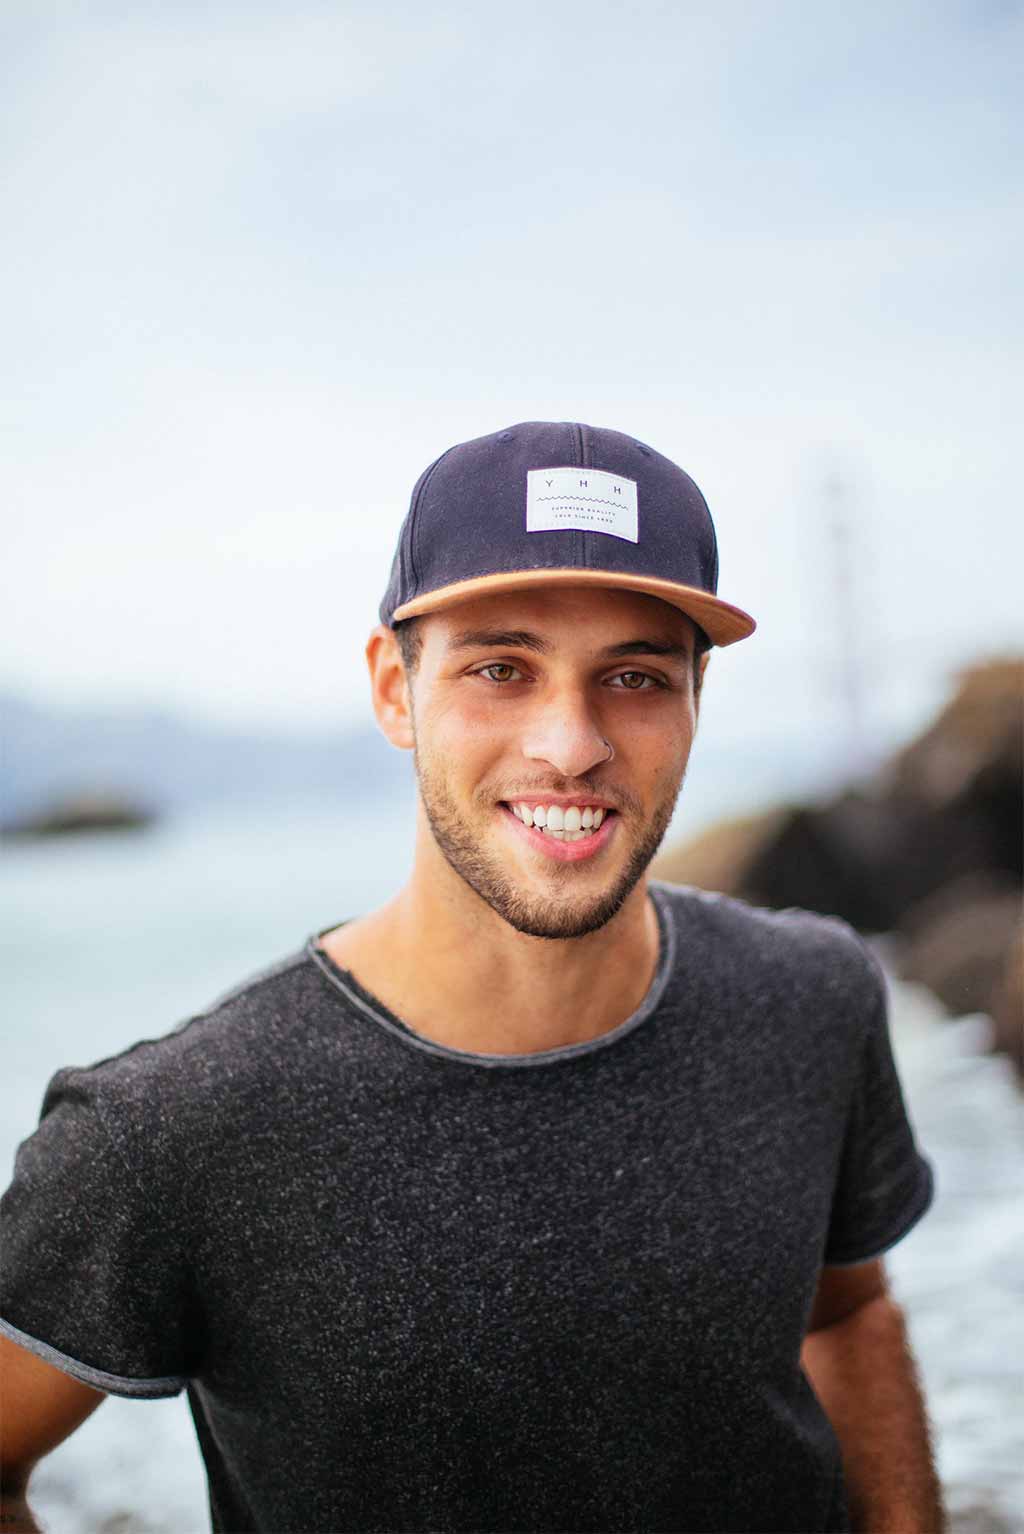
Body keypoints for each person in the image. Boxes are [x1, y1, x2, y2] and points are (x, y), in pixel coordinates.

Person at [0, 421, 944, 1534]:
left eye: (634, 675)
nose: (570, 743)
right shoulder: (171, 1128)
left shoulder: (811, 998)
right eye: (501, 667)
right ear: (394, 690)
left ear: (697, 699)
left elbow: (846, 1316)